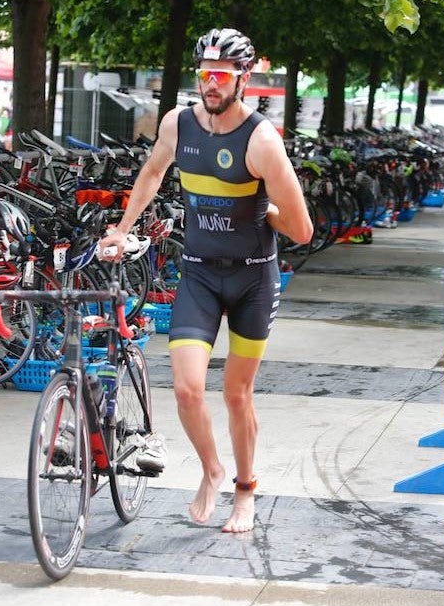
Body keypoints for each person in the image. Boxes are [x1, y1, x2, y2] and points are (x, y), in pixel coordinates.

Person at [99, 28, 313, 533]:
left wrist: (265, 209)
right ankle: (211, 469)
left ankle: (245, 489)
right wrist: (122, 229)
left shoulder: (261, 141)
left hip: (254, 281)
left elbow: (301, 229)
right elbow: (152, 173)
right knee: (187, 390)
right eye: (204, 75)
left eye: (220, 76)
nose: (210, 85)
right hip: (198, 272)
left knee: (237, 395)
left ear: (245, 76)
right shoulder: (178, 124)